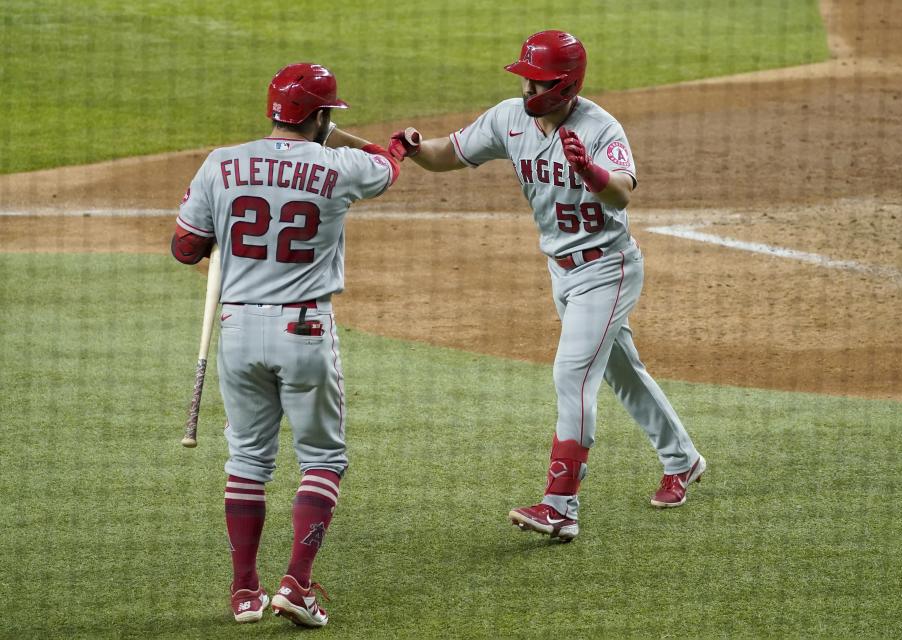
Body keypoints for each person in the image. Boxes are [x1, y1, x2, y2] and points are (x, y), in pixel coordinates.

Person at [389, 31, 705, 542]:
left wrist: (590, 170)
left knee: (572, 375)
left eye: (537, 80)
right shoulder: (509, 119)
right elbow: (450, 153)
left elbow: (621, 195)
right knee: (622, 371)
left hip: (608, 268)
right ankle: (683, 460)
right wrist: (415, 148)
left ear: (564, 84)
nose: (527, 87)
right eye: (526, 77)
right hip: (561, 269)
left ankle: (561, 507)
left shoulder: (601, 128)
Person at [171, 63, 400, 624]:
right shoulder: (340, 165)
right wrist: (372, 140)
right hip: (305, 330)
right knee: (322, 458)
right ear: (321, 117)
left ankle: (244, 592)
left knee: (247, 460)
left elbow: (184, 247)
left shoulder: (220, 164)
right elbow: (387, 163)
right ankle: (296, 584)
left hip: (238, 330)